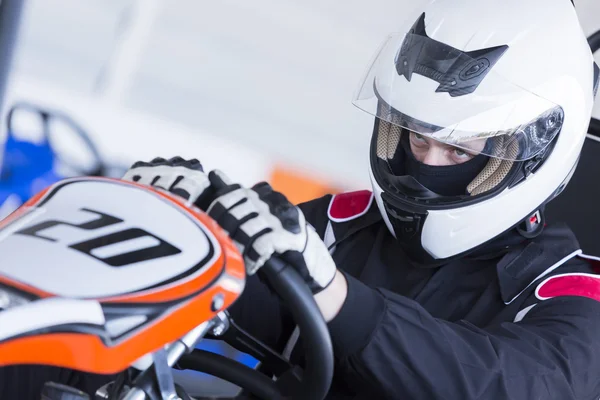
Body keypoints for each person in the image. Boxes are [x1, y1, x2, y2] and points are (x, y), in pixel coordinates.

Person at [2, 0, 599, 398]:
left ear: (534, 152)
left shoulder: (569, 294)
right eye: (412, 134)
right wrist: (185, 225)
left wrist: (338, 298)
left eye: (459, 150)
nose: (424, 162)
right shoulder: (343, 228)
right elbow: (241, 298)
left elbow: (515, 384)